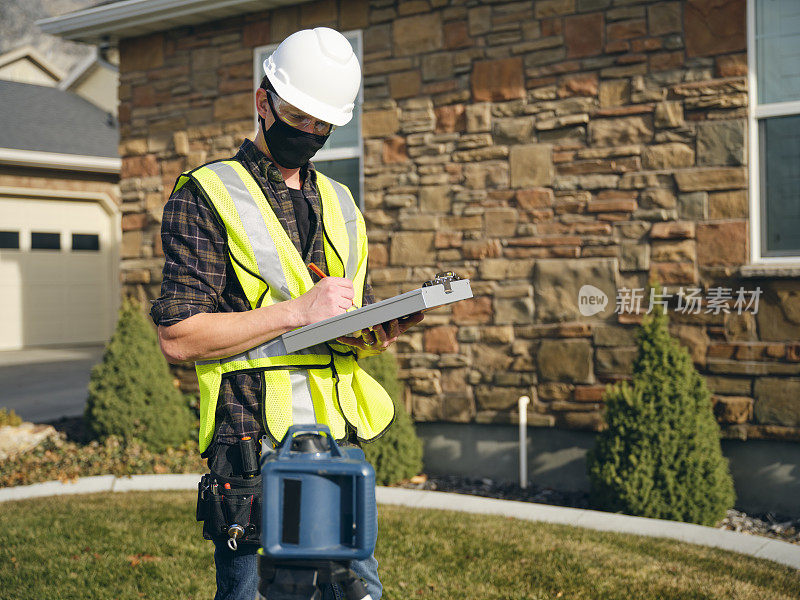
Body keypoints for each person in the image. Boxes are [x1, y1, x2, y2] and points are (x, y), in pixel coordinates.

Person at [151, 27, 422, 600]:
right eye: (297, 117)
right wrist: (296, 311)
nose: (308, 133)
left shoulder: (343, 206)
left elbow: (332, 325)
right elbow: (179, 337)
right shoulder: (207, 195)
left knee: (357, 591)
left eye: (322, 125)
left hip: (339, 445)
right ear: (262, 101)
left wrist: (370, 334)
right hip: (253, 446)